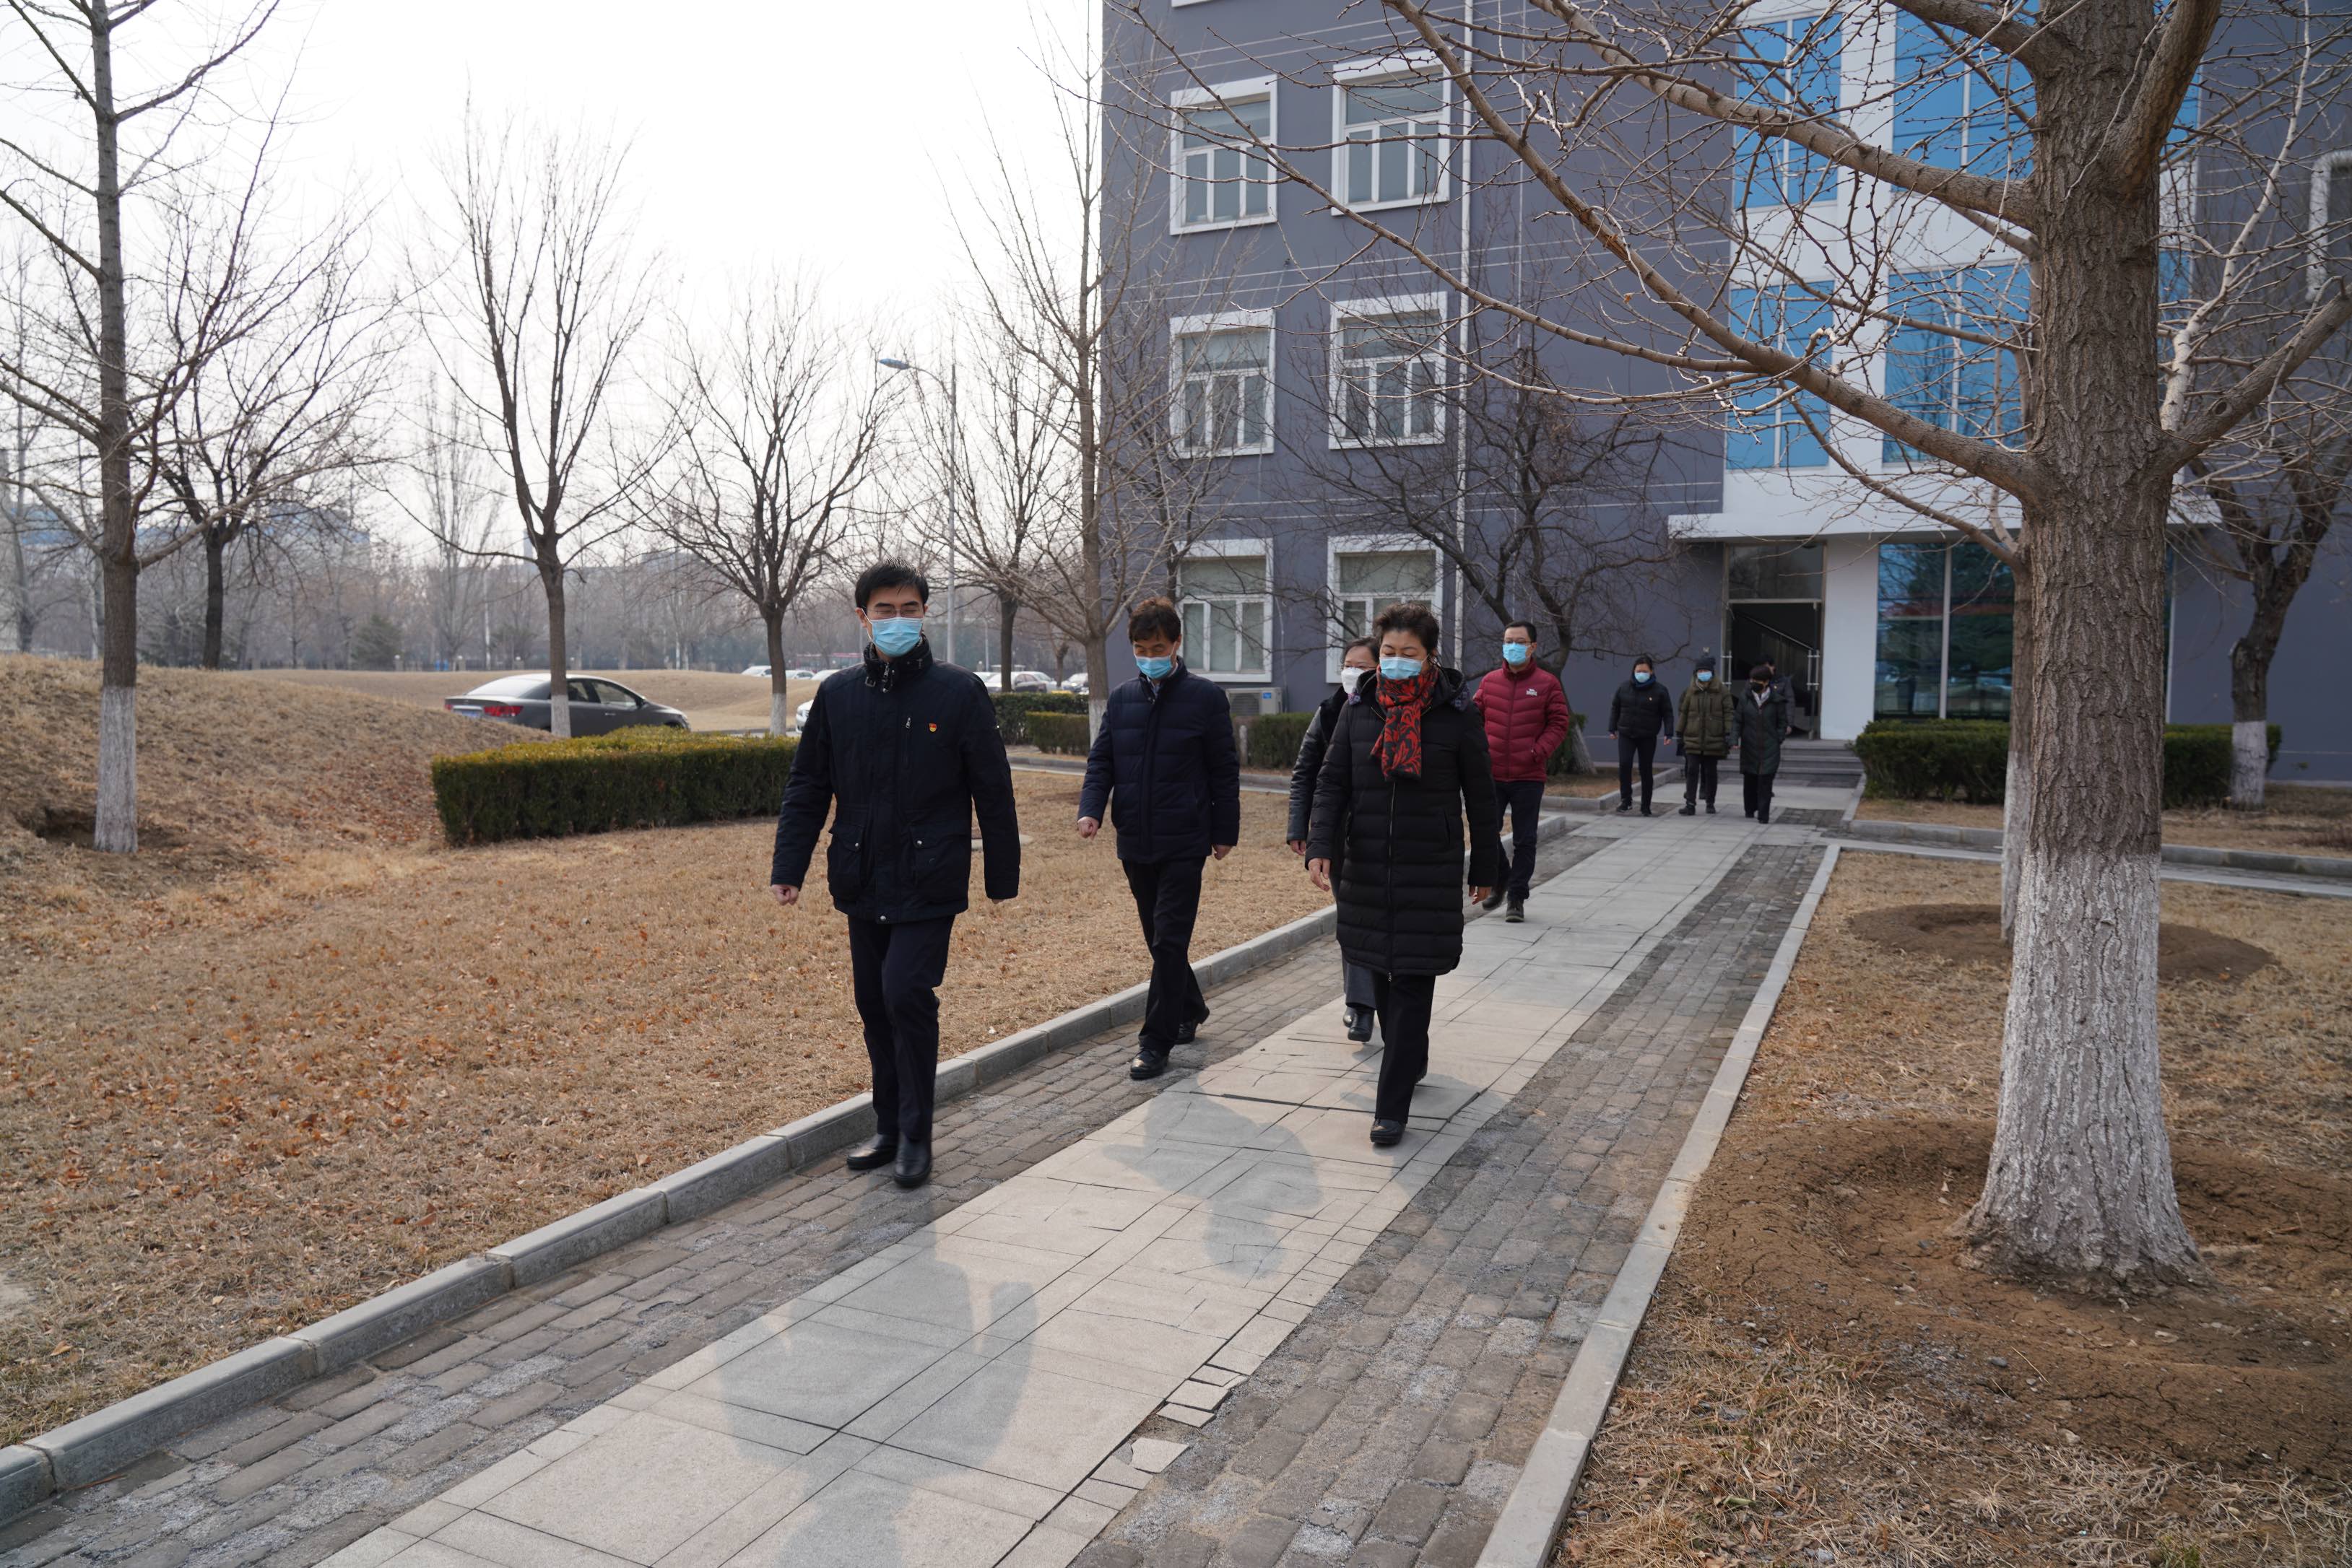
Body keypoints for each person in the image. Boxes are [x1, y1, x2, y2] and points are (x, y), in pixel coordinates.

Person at [770, 560, 1020, 1190]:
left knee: (906, 992)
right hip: (861, 874)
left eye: (910, 609)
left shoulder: (957, 692)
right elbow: (808, 786)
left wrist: (1002, 874)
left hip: (930, 874)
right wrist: (789, 866)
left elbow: (992, 788)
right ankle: (887, 1126)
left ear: (925, 614)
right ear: (863, 617)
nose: (898, 620)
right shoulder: (838, 695)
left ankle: (915, 1134)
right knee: (873, 1003)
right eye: (885, 610)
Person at [1306, 602, 1502, 1148]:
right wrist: (1319, 844)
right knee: (1381, 975)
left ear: (1430, 656)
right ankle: (1409, 1055)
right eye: (1388, 652)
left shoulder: (1456, 713)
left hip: (1429, 867)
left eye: (1407, 653)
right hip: (1366, 865)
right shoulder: (1358, 708)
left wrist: (1486, 865)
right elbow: (1331, 782)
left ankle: (1390, 1109)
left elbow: (1481, 796)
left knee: (1413, 981)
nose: (1395, 661)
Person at [1078, 597, 1241, 1081]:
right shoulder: (1123, 698)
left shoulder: (1205, 698)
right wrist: (1091, 809)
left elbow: (1223, 769)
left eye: (1157, 648)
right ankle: (1189, 1005)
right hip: (1135, 838)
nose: (1148, 656)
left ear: (1176, 644)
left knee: (1170, 940)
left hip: (1185, 840)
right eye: (1140, 648)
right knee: (1158, 939)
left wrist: (1224, 831)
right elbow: (1102, 760)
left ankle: (1155, 1042)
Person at [1288, 637, 1381, 1040]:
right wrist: (1300, 828)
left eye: (1362, 667)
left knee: (1383, 921)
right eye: (1348, 665)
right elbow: (1306, 772)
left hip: (1387, 835)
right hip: (1342, 836)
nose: (1353, 673)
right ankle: (1360, 1006)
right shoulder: (1329, 712)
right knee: (1353, 918)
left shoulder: (1395, 712)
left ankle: (1386, 996)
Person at [1474, 620, 1571, 923]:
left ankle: (1516, 896)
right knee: (1485, 832)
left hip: (1528, 776)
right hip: (1492, 774)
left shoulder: (1547, 683)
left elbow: (1559, 723)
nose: (1512, 647)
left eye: (1519, 642)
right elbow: (1473, 719)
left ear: (1532, 647)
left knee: (1524, 840)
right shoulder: (1490, 682)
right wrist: (1478, 752)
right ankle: (1501, 878)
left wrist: (1537, 751)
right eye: (1508, 641)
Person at [1607, 655, 1675, 816]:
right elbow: (1615, 708)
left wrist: (1669, 732)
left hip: (1647, 736)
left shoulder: (1660, 690)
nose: (1641, 674)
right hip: (1626, 734)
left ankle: (1646, 806)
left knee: (1646, 769)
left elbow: (1667, 713)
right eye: (1638, 671)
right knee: (1625, 765)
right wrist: (1612, 728)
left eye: (1644, 671)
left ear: (1651, 672)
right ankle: (1626, 801)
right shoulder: (1624, 688)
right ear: (1633, 671)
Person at [1735, 658, 1792, 824]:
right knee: (1750, 780)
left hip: (1770, 747)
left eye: (1758, 681)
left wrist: (1779, 738)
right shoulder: (1745, 698)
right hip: (1749, 746)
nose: (1754, 683)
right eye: (1752, 680)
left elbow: (1782, 723)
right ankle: (1750, 808)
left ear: (1767, 682)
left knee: (1765, 782)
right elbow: (1738, 720)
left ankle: (1763, 814)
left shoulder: (1777, 700)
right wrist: (1734, 739)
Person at [1676, 653, 1733, 816]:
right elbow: (1684, 712)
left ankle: (1710, 802)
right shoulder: (1691, 691)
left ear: (1712, 672)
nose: (1703, 673)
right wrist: (1679, 732)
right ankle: (1690, 804)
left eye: (1705, 671)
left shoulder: (1722, 691)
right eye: (1700, 671)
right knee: (1692, 770)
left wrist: (1728, 732)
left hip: (1713, 738)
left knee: (1710, 772)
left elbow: (1729, 712)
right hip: (1693, 737)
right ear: (1696, 673)